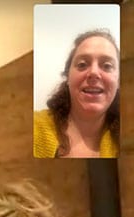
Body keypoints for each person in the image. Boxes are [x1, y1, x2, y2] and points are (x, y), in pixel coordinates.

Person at [34, 29, 119, 158]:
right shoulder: (34, 127)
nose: (94, 73)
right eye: (82, 64)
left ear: (119, 81)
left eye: (107, 66)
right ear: (68, 77)